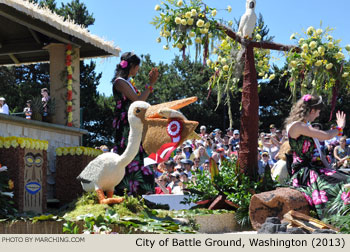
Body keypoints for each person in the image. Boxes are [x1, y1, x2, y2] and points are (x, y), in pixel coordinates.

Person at [285, 94, 350, 219]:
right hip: (304, 172)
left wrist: (331, 169)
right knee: (340, 183)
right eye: (318, 112)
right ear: (312, 110)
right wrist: (340, 127)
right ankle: (337, 219)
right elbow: (325, 135)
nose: (318, 115)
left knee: (345, 177)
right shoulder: (297, 126)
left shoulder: (305, 126)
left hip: (314, 168)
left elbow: (320, 153)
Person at [112, 52, 159, 196]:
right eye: (137, 67)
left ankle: (141, 191)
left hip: (133, 124)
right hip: (125, 126)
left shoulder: (127, 82)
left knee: (139, 154)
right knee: (128, 152)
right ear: (131, 66)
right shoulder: (120, 82)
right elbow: (138, 101)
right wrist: (150, 84)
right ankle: (126, 191)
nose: (138, 70)